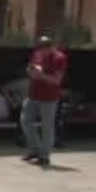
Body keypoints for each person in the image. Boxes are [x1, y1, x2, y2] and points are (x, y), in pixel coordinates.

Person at [21, 34, 67, 166]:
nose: (42, 52)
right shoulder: (37, 54)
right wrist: (30, 71)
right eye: (41, 49)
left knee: (47, 126)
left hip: (49, 96)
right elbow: (31, 68)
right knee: (25, 121)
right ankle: (34, 149)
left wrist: (41, 76)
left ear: (51, 47)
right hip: (33, 94)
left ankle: (45, 155)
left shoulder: (59, 58)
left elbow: (57, 80)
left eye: (45, 49)